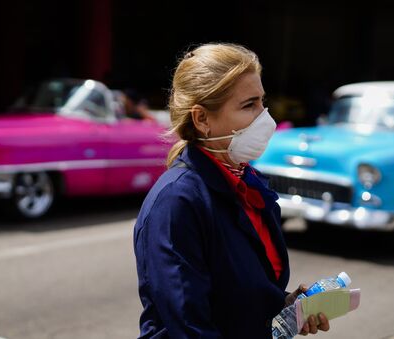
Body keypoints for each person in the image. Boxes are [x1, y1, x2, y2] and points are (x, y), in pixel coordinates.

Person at [133, 43, 330, 338]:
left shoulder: (249, 183)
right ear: (202, 119)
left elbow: (237, 297)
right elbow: (190, 327)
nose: (265, 118)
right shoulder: (177, 202)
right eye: (248, 105)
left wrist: (286, 306)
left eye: (262, 102)